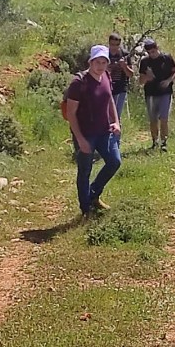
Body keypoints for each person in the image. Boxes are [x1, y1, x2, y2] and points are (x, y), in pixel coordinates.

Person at [66, 45, 122, 217]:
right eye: (98, 62)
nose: (101, 66)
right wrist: (80, 139)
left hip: (105, 131)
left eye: (104, 62)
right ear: (90, 61)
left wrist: (116, 122)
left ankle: (93, 195)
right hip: (86, 134)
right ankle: (85, 209)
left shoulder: (106, 76)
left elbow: (110, 100)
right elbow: (71, 113)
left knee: (114, 161)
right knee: (85, 171)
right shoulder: (78, 83)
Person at [138, 38, 175, 152]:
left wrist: (169, 80)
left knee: (164, 118)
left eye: (153, 52)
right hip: (150, 93)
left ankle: (164, 142)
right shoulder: (145, 62)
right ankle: (154, 141)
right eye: (149, 52)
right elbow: (140, 80)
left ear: (157, 48)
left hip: (165, 92)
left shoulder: (167, 58)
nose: (152, 54)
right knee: (153, 119)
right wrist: (147, 77)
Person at [108, 32, 133, 122]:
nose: (114, 47)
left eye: (117, 45)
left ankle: (116, 134)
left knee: (116, 115)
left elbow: (131, 74)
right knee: (107, 114)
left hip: (120, 88)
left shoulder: (125, 55)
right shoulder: (104, 54)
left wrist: (124, 66)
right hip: (107, 88)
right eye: (112, 45)